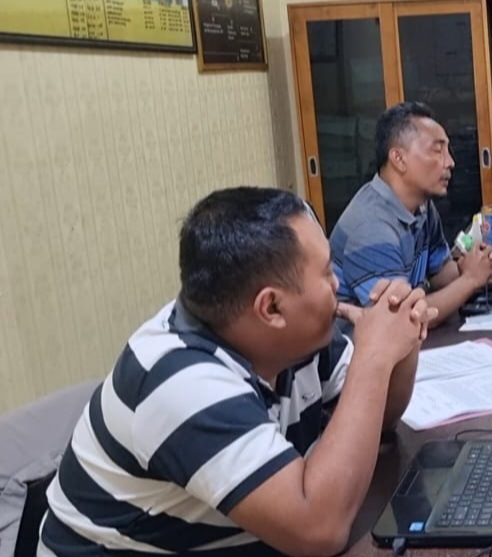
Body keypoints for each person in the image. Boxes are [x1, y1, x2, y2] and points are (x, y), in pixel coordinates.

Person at [39, 187, 436, 557]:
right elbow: (319, 530)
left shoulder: (292, 337)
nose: (337, 284)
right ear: (271, 308)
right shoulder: (180, 381)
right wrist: (373, 358)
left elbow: (379, 417)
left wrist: (401, 342)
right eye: (327, 272)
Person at [330, 101, 492, 327]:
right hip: (362, 344)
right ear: (399, 159)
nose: (450, 162)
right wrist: (470, 280)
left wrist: (474, 267)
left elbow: (440, 273)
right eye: (437, 150)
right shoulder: (371, 227)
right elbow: (403, 320)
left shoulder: (422, 207)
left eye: (448, 151)